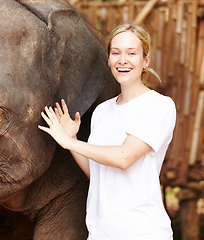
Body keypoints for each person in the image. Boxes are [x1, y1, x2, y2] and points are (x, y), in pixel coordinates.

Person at [38, 23, 176, 240]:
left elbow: (124, 158)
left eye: (132, 53)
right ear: (109, 60)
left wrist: (70, 143)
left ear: (145, 61)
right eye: (116, 53)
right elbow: (98, 174)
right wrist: (72, 137)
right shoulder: (103, 111)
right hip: (100, 233)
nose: (123, 60)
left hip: (143, 232)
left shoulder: (159, 106)